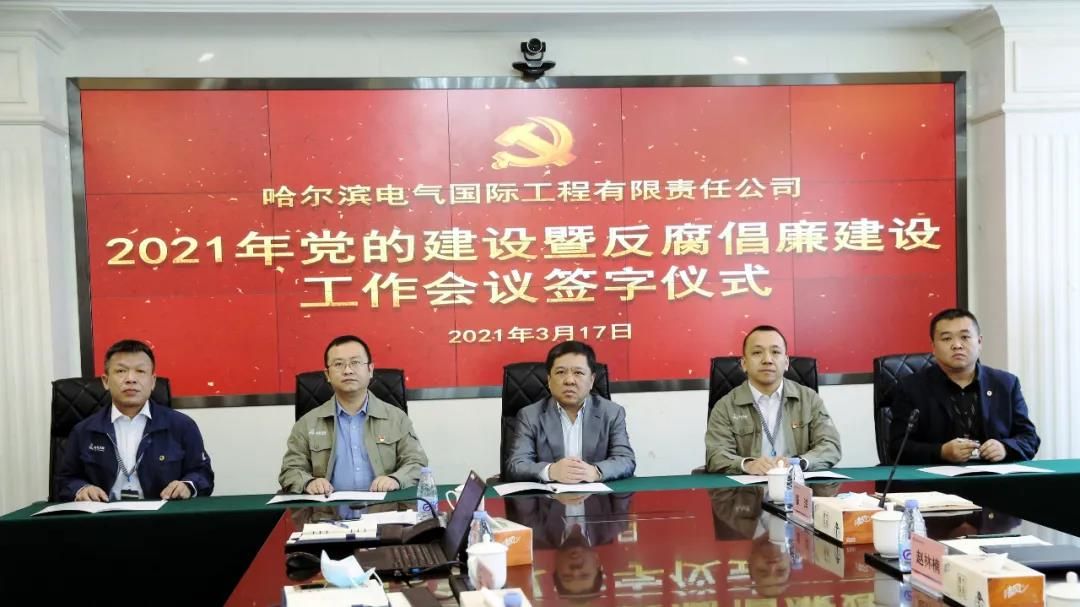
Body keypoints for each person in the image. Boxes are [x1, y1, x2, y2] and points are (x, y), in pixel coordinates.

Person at [56, 339, 214, 501]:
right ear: (105, 381)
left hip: (162, 513)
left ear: (152, 381)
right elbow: (65, 480)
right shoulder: (84, 430)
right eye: (121, 371)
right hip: (103, 514)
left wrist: (187, 485)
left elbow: (202, 473)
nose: (131, 379)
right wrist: (82, 489)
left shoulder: (181, 425)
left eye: (140, 371)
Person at [279, 335, 428, 494]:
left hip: (385, 506)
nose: (348, 370)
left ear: (370, 370)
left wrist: (396, 479)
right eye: (338, 364)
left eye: (355, 362)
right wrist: (309, 482)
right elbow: (290, 470)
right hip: (327, 507)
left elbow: (417, 463)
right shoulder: (307, 423)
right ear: (327, 375)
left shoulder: (397, 418)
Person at [888, 308, 1040, 464]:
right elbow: (896, 447)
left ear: (979, 342)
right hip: (935, 475)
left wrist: (1005, 448)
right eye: (946, 339)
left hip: (994, 474)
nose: (957, 345)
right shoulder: (911, 388)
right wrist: (941, 452)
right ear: (933, 346)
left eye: (965, 337)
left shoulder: (1005, 384)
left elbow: (1030, 438)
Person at [705, 325, 842, 475]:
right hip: (747, 487)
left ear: (786, 362)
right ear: (744, 364)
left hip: (797, 485)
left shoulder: (809, 399)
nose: (767, 360)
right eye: (757, 352)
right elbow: (716, 455)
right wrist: (747, 465)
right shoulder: (725, 406)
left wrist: (798, 463)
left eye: (775, 352)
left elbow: (831, 446)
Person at [505, 340, 636, 483]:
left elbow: (625, 460)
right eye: (560, 372)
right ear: (549, 380)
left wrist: (596, 472)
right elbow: (516, 465)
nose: (569, 380)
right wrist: (550, 471)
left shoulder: (612, 413)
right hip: (548, 495)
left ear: (592, 380)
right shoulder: (530, 416)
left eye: (578, 372)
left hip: (597, 495)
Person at [505, 493, 630, 599]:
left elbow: (523, 489)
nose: (576, 570)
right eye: (584, 574)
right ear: (597, 563)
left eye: (567, 576)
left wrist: (553, 494)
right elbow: (623, 483)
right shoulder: (615, 524)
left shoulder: (533, 528)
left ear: (556, 566)